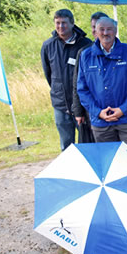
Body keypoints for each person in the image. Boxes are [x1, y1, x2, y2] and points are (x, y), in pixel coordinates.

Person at [77, 17, 127, 151]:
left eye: (109, 29)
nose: (105, 33)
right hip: (101, 122)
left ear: (115, 31)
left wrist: (123, 110)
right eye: (101, 29)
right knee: (108, 163)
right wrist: (98, 112)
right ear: (95, 31)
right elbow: (82, 89)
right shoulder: (86, 55)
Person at [41, 9, 92, 151]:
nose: (60, 27)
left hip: (82, 105)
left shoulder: (85, 44)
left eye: (64, 23)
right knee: (66, 145)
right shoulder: (48, 45)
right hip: (60, 105)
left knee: (87, 143)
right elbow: (48, 74)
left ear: (72, 23)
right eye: (57, 23)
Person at [72, 11, 109, 144]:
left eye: (100, 26)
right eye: (94, 27)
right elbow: (78, 84)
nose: (96, 30)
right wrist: (78, 111)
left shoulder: (119, 49)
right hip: (90, 111)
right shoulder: (84, 52)